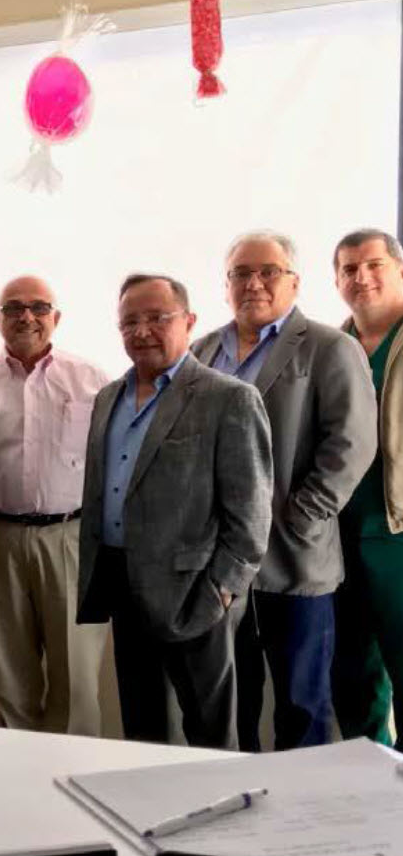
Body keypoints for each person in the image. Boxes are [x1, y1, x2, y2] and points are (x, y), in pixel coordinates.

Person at [191, 232, 375, 750]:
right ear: (225, 286)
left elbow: (353, 441)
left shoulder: (328, 347)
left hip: (295, 559)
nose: (253, 283)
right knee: (234, 702)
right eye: (240, 274)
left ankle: (301, 822)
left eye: (268, 271)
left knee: (301, 704)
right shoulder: (205, 350)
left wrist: (302, 515)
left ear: (294, 280)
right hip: (222, 563)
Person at [77, 274, 271, 750]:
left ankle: (222, 823)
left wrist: (221, 590)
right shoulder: (108, 398)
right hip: (124, 585)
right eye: (129, 322)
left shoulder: (228, 398)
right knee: (142, 732)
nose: (141, 331)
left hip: (196, 593)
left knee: (210, 736)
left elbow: (250, 516)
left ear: (189, 321)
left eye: (156, 319)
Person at [0, 276, 112, 736]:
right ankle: (18, 788)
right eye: (13, 309)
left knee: (76, 680)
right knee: (9, 679)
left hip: (71, 540)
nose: (26, 317)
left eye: (38, 307)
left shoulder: (92, 379)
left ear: (57, 317)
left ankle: (73, 786)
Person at [332, 228, 403, 747]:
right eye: (349, 269)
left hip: (397, 531)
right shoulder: (332, 348)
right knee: (352, 671)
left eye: (374, 264)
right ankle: (368, 778)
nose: (362, 277)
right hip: (338, 534)